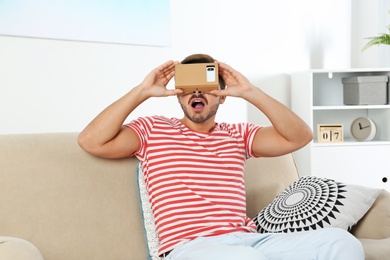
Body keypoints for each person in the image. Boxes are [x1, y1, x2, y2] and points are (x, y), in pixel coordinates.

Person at [78, 54, 364, 259]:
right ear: (178, 96)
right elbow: (91, 141)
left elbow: (299, 137)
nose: (198, 92)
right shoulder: (153, 129)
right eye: (189, 87)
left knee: (341, 242)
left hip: (250, 241)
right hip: (191, 248)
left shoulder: (237, 134)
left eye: (206, 86)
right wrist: (142, 91)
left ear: (223, 95)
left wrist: (250, 92)